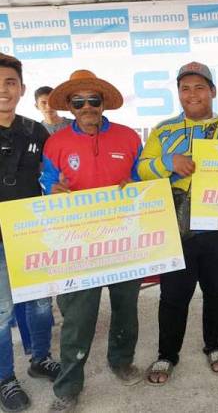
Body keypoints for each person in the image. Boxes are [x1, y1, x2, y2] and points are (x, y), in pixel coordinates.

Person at [40, 70, 143, 412]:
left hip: (125, 239)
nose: (87, 107)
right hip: (78, 244)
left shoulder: (129, 138)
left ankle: (121, 360)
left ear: (102, 104)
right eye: (78, 101)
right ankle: (68, 385)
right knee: (78, 317)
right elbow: (46, 183)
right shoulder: (55, 144)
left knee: (126, 307)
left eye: (93, 100)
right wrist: (51, 190)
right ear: (69, 106)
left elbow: (144, 177)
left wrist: (138, 185)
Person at [138, 62, 218, 385]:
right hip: (176, 224)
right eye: (185, 88)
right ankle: (167, 354)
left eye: (200, 87)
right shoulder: (163, 130)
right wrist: (168, 162)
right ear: (179, 93)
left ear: (212, 91)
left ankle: (215, 345)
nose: (192, 94)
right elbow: (141, 169)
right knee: (173, 294)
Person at [0, 53, 60, 412]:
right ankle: (5, 377)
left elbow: (49, 176)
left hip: (30, 233)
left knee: (40, 303)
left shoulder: (34, 130)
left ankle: (40, 358)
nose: (3, 90)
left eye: (10, 83)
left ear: (21, 89)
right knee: (2, 311)